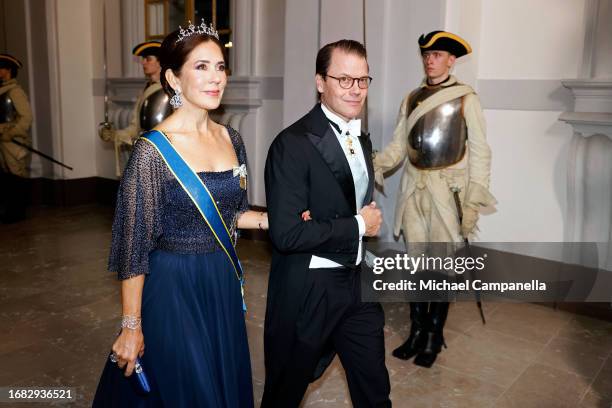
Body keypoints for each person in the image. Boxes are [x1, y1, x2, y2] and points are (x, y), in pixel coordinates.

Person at [92, 21, 267, 407]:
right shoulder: (152, 152)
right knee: (191, 390)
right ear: (173, 78)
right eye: (201, 67)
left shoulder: (230, 138)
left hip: (221, 281)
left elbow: (234, 214)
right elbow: (133, 248)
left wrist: (280, 218)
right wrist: (131, 326)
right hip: (174, 287)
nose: (216, 77)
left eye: (220, 66)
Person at [263, 39, 391, 407]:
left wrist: (359, 224)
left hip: (357, 284)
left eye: (363, 80)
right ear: (321, 82)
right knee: (284, 393)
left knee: (375, 390)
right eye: (344, 79)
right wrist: (356, 225)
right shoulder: (292, 144)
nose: (355, 89)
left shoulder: (360, 137)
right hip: (311, 289)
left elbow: (349, 199)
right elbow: (286, 234)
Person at [373, 31, 496, 368]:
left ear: (451, 60)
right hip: (414, 187)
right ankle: (416, 331)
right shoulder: (411, 98)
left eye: (438, 54)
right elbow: (399, 146)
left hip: (447, 191)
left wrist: (473, 200)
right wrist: (375, 162)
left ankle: (433, 335)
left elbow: (481, 152)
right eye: (426, 54)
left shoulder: (466, 98)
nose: (430, 60)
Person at [99, 41, 171, 175]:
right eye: (143, 59)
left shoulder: (170, 89)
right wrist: (115, 135)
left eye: (148, 59)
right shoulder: (146, 89)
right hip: (146, 152)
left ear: (160, 62)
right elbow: (136, 127)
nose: (143, 62)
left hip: (165, 156)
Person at [0, 53, 32, 223]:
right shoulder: (2, 90)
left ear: (8, 70)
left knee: (16, 174)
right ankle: (9, 210)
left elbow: (26, 119)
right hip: (2, 140)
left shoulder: (15, 92)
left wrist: (10, 133)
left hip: (13, 141)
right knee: (6, 175)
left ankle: (17, 212)